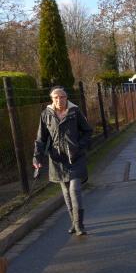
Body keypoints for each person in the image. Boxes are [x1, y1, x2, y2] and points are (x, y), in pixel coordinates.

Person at [33, 87, 93, 236]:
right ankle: (74, 221)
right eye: (56, 97)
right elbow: (41, 139)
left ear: (67, 98)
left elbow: (87, 131)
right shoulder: (46, 114)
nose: (59, 100)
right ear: (52, 99)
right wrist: (37, 158)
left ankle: (79, 225)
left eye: (62, 97)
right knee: (66, 192)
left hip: (75, 158)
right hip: (57, 160)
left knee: (74, 190)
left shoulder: (75, 112)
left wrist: (79, 147)